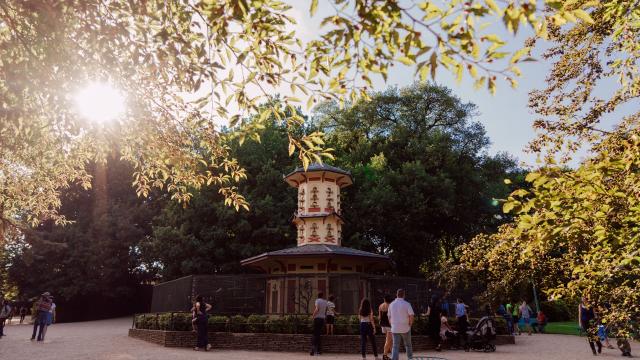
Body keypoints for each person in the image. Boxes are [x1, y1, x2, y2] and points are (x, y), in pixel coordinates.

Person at [388, 289, 414, 360]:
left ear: (396, 294)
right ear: (404, 295)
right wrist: (410, 324)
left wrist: (392, 325)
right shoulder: (407, 304)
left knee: (395, 346)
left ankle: (394, 359)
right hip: (405, 327)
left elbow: (389, 317)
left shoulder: (391, 304)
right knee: (408, 345)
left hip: (395, 328)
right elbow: (411, 315)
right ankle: (410, 358)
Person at [310, 291, 327, 356]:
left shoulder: (317, 301)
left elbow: (317, 309)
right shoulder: (325, 302)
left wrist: (313, 316)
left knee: (315, 334)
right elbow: (325, 311)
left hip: (317, 319)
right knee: (319, 334)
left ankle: (313, 350)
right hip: (322, 319)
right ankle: (319, 351)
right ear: (322, 296)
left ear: (318, 296)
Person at [378, 294, 393, 360]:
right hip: (389, 325)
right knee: (388, 340)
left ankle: (393, 354)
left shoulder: (380, 305)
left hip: (383, 324)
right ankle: (384, 355)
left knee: (389, 340)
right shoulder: (391, 306)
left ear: (384, 299)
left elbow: (379, 317)